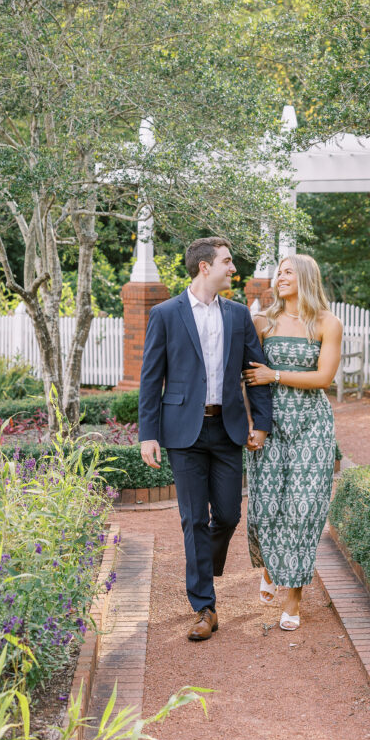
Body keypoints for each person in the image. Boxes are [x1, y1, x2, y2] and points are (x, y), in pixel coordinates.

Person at [139, 237, 272, 641]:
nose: (233, 269)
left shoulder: (237, 315)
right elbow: (151, 378)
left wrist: (260, 422)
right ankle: (204, 606)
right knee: (194, 519)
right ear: (204, 267)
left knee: (229, 514)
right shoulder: (165, 314)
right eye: (227, 262)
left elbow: (255, 370)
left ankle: (202, 565)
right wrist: (148, 435)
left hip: (227, 427)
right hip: (183, 431)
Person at [243, 254, 342, 631]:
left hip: (311, 426)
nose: (280, 277)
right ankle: (269, 567)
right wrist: (252, 422)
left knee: (304, 510)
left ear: (305, 277)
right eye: (278, 272)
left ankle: (295, 599)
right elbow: (248, 378)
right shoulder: (262, 323)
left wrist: (276, 374)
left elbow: (323, 379)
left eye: (287, 272)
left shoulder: (326, 323)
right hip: (270, 425)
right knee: (265, 507)